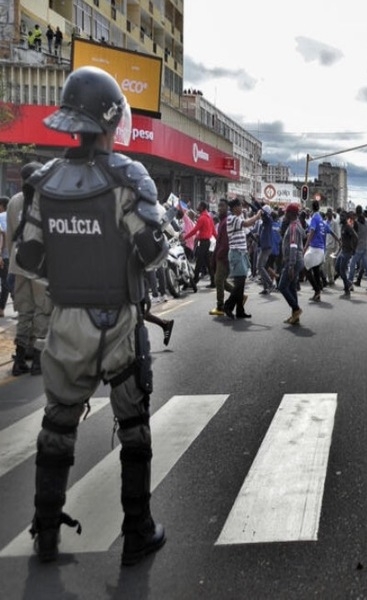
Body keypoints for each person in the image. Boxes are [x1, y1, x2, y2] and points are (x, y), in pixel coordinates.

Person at [16, 66, 170, 565]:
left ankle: (45, 530)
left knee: (57, 426)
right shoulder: (126, 178)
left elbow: (29, 261)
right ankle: (138, 530)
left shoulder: (43, 183)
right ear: (109, 121)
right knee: (134, 426)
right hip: (118, 323)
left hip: (65, 322)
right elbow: (151, 252)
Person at [6, 162, 51, 375]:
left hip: (18, 263)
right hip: (40, 266)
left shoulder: (13, 202)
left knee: (24, 312)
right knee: (42, 311)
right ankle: (39, 361)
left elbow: (10, 237)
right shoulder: (46, 201)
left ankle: (19, 360)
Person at [223, 198, 262, 319]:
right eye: (240, 206)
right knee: (239, 284)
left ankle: (240, 310)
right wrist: (257, 216)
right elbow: (247, 223)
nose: (242, 208)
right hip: (236, 254)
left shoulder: (237, 218)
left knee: (241, 283)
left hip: (241, 253)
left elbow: (247, 229)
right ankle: (228, 306)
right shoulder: (232, 218)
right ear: (235, 207)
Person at [278, 203, 304, 325]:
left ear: (291, 214)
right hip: (296, 259)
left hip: (293, 260)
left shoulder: (293, 227)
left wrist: (291, 265)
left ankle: (296, 309)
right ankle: (295, 316)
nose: (285, 215)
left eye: (286, 213)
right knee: (292, 286)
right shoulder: (297, 224)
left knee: (282, 286)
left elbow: (293, 245)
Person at [209, 199, 234, 316]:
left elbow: (225, 242)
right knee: (221, 280)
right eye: (219, 206)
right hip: (220, 254)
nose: (219, 208)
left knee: (218, 280)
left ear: (227, 208)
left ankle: (220, 306)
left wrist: (218, 255)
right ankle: (238, 294)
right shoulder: (222, 222)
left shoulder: (226, 222)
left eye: (222, 206)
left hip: (223, 256)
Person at [182, 200, 215, 287]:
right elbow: (214, 231)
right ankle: (213, 281)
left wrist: (185, 237)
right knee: (208, 263)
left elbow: (194, 230)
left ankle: (195, 280)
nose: (197, 207)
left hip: (204, 243)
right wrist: (218, 239)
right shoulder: (209, 217)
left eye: (199, 206)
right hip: (206, 242)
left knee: (199, 262)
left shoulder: (202, 218)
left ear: (202, 207)